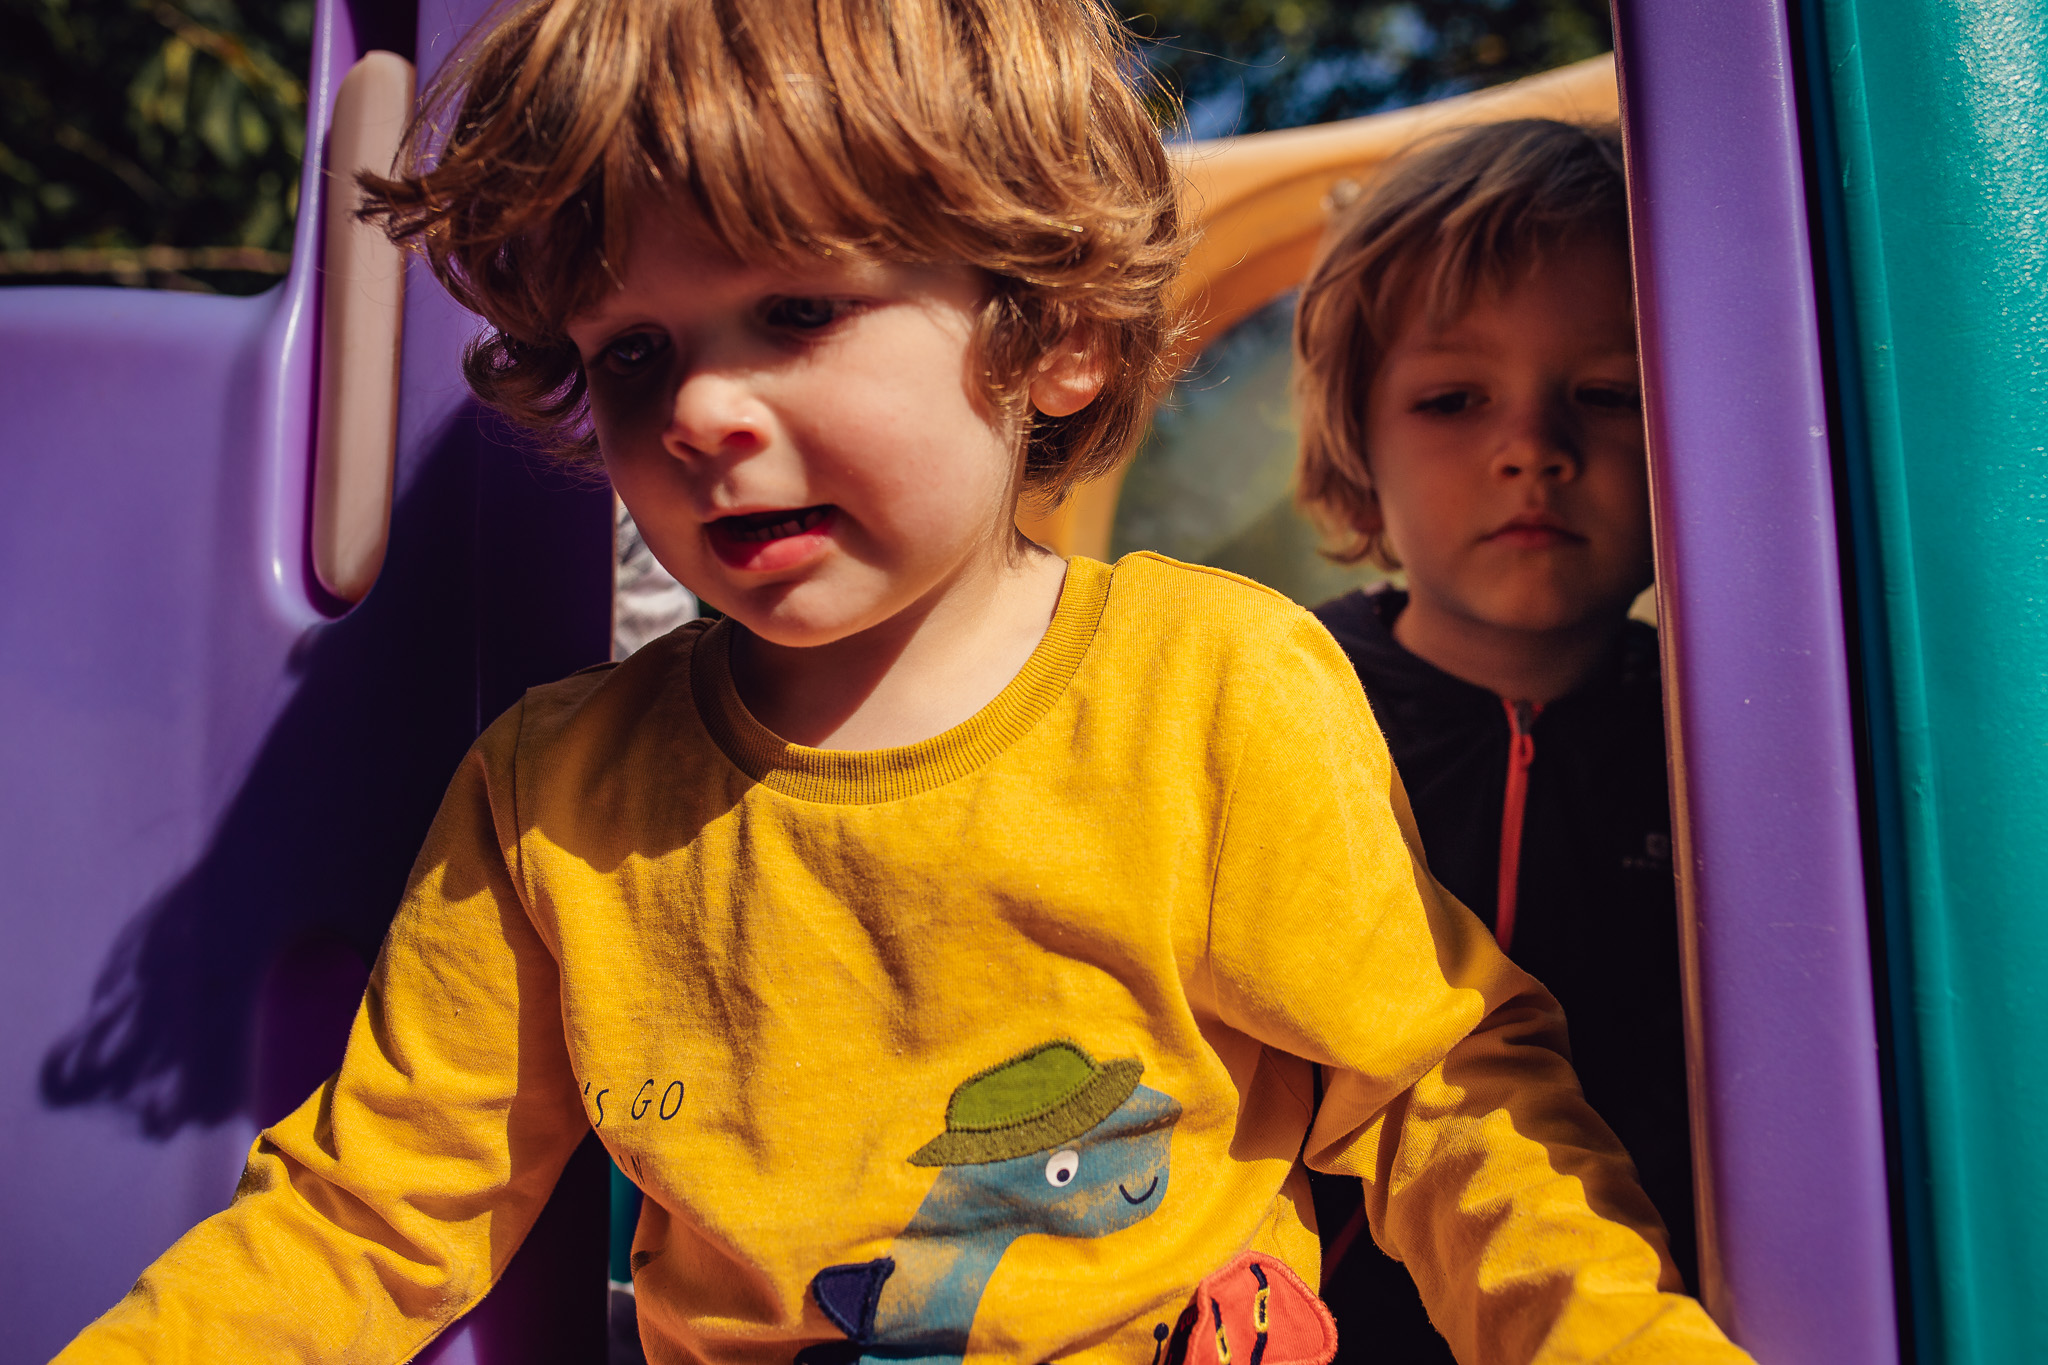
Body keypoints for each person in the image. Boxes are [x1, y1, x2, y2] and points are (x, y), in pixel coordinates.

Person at [56, 8, 1747, 1363]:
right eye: (633, 350)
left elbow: (1441, 1096)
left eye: (792, 309)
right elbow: (374, 1212)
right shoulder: (558, 795)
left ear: (1051, 336)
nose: (698, 413)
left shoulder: (1210, 691)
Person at [1291, 120, 1694, 1364]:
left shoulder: (1735, 743)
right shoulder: (1269, 705)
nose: (1532, 447)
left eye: (1606, 393)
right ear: (1357, 440)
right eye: (1453, 399)